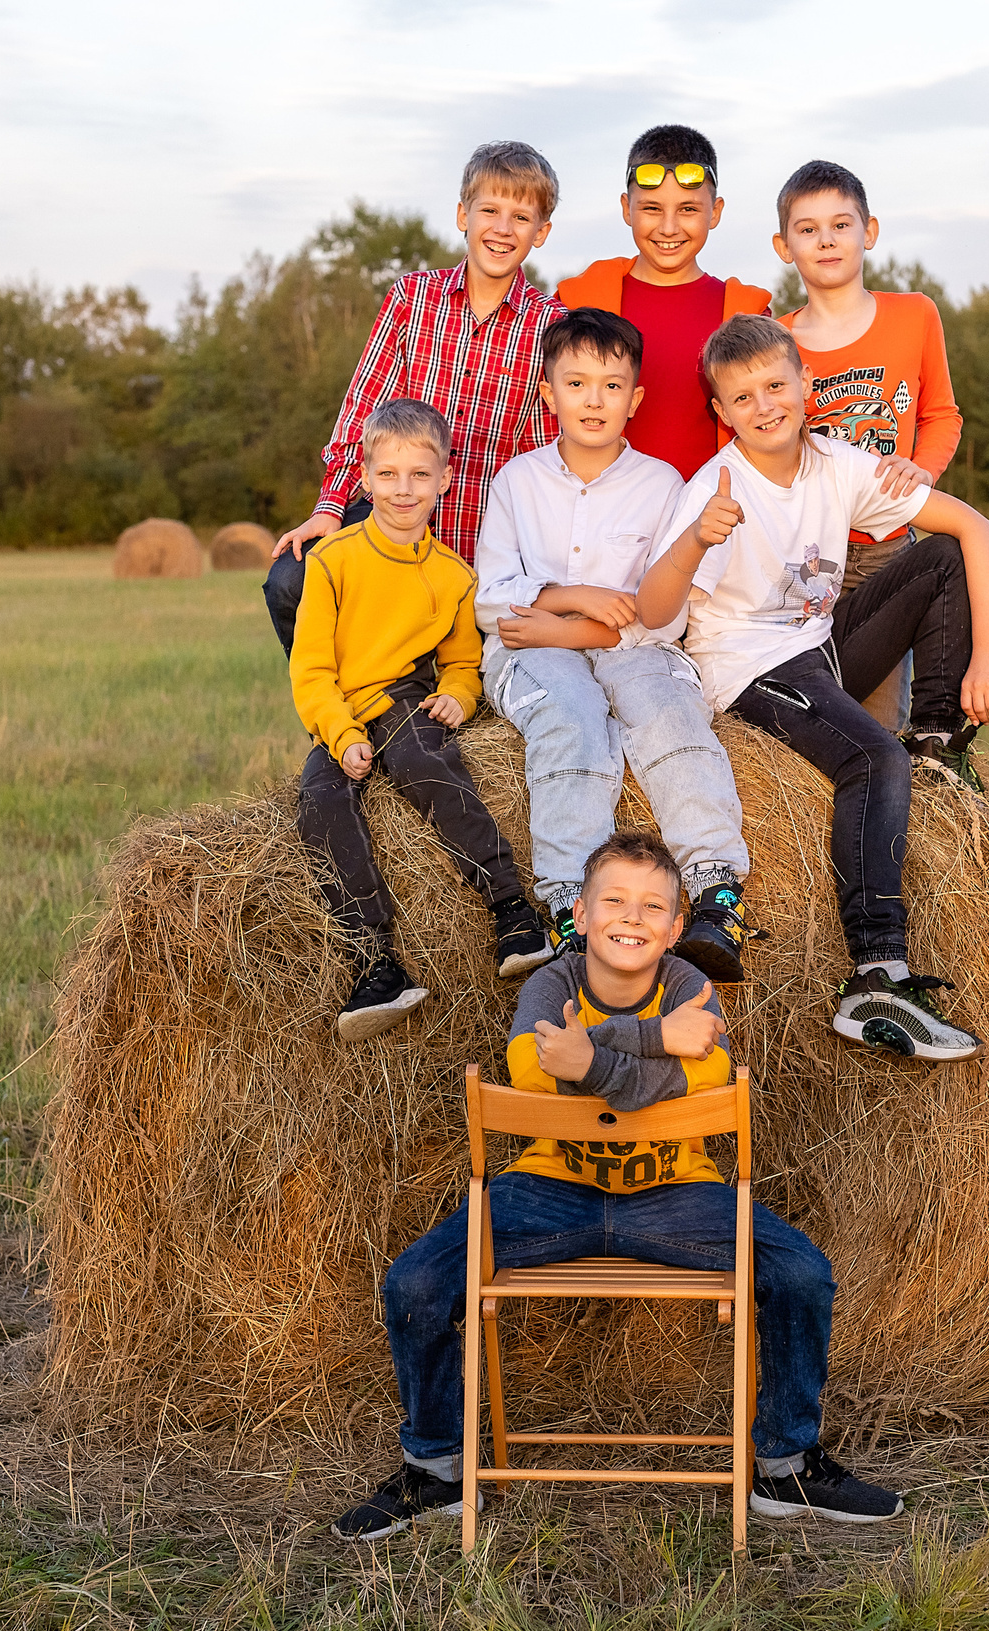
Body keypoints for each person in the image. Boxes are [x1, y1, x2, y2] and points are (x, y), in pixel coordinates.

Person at [332, 831, 903, 1539]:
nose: (631, 916)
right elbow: (533, 1074)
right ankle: (437, 1470)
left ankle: (784, 1467)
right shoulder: (552, 983)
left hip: (677, 1191)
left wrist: (596, 1059)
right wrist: (657, 1040)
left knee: (800, 1271)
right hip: (547, 1187)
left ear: (672, 926)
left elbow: (708, 1077)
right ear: (580, 913)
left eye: (652, 905)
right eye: (614, 900)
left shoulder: (691, 986)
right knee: (416, 1281)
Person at [634, 316, 989, 1061]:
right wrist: (696, 540)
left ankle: (937, 739)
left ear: (806, 385)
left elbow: (978, 530)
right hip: (751, 670)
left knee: (939, 558)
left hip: (818, 647)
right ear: (721, 412)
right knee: (872, 760)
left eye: (776, 385)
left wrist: (988, 657)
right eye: (742, 398)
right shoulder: (717, 490)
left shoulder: (838, 464)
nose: (765, 405)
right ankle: (876, 973)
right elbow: (651, 614)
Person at [474, 307, 757, 982]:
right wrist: (574, 596)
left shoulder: (660, 486)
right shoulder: (517, 481)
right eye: (576, 384)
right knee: (570, 719)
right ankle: (571, 906)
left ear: (634, 399)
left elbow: (660, 620)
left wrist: (573, 627)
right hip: (531, 653)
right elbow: (495, 602)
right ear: (549, 394)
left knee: (667, 711)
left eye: (609, 386)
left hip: (633, 646)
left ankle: (717, 889)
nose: (592, 400)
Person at [287, 398, 555, 1042]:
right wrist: (345, 736)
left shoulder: (453, 576)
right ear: (365, 476)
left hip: (407, 697)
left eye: (418, 475)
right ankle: (374, 961)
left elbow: (463, 661)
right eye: (387, 475)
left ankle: (512, 909)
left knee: (421, 762)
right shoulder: (331, 562)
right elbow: (311, 672)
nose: (402, 490)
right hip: (345, 705)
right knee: (319, 799)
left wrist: (460, 697)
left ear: (443, 479)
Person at [263, 140, 567, 655]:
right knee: (291, 580)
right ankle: (337, 717)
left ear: (541, 233)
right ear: (461, 215)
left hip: (481, 535)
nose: (501, 228)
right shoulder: (413, 297)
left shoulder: (549, 324)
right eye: (489, 210)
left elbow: (545, 449)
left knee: (456, 671)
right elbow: (363, 410)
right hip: (395, 515)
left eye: (521, 217)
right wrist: (331, 507)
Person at [774, 159, 963, 732]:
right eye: (807, 229)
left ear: (870, 231)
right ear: (785, 246)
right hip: (803, 555)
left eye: (841, 224)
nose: (826, 240)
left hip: (885, 548)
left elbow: (940, 415)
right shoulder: (773, 340)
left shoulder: (914, 315)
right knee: (799, 732)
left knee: (876, 726)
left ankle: (937, 746)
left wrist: (923, 472)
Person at [554, 125, 773, 481]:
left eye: (688, 209)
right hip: (597, 517)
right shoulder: (577, 303)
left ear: (715, 212)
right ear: (627, 208)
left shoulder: (746, 313)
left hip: (714, 519)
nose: (669, 228)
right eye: (652, 208)